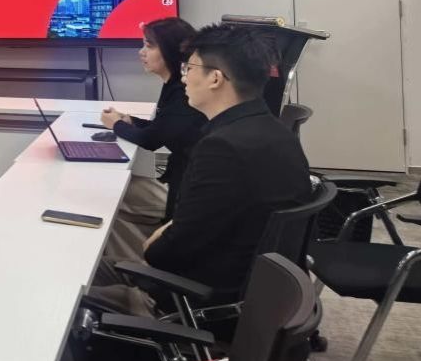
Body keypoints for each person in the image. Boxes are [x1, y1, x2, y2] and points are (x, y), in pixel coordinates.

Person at [141, 23, 312, 291]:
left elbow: (162, 255)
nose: (184, 78)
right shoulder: (276, 131)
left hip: (202, 297)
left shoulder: (221, 148)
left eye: (189, 69)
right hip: (262, 288)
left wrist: (154, 242)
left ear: (215, 78)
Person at [99, 17, 203, 263]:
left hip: (182, 193)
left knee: (108, 196)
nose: (141, 52)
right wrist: (130, 120)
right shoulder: (174, 84)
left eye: (149, 46)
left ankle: (132, 265)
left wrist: (116, 125)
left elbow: (151, 140)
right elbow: (163, 128)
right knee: (110, 196)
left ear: (170, 50)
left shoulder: (182, 91)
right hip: (179, 183)